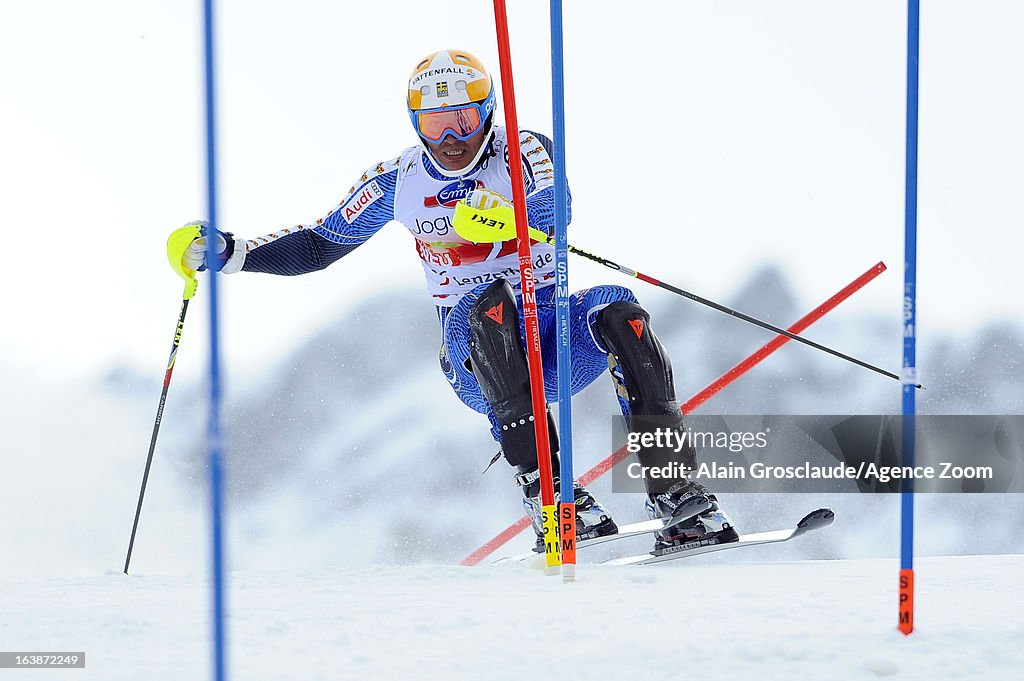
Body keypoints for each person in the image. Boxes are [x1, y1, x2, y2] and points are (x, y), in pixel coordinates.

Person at [169, 49, 737, 553]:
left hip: (552, 337)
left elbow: (554, 211)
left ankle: (678, 495)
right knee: (491, 304)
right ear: (416, 123)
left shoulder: (524, 150)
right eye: (436, 123)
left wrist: (502, 216)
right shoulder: (397, 180)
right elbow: (321, 244)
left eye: (463, 118)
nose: (452, 137)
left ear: (486, 110)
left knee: (621, 312)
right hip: (478, 355)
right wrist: (230, 252)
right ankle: (550, 499)